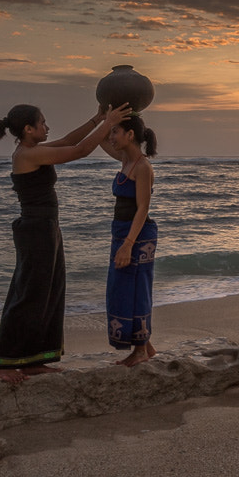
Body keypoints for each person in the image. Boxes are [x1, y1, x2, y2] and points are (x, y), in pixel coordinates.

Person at [0, 102, 131, 383]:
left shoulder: (35, 150)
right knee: (29, 295)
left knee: (49, 292)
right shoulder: (27, 154)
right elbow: (78, 151)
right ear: (28, 129)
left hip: (47, 227)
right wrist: (108, 123)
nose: (47, 127)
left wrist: (97, 119)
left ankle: (33, 359)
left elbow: (67, 141)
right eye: (42, 123)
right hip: (35, 229)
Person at [99, 113, 158, 366]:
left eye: (116, 132)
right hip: (122, 232)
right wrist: (105, 116)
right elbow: (99, 140)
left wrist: (128, 244)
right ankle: (147, 346)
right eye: (112, 132)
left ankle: (141, 351)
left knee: (136, 290)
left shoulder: (143, 167)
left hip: (137, 235)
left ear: (130, 135)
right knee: (119, 288)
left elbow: (143, 208)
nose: (112, 137)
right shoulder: (124, 158)